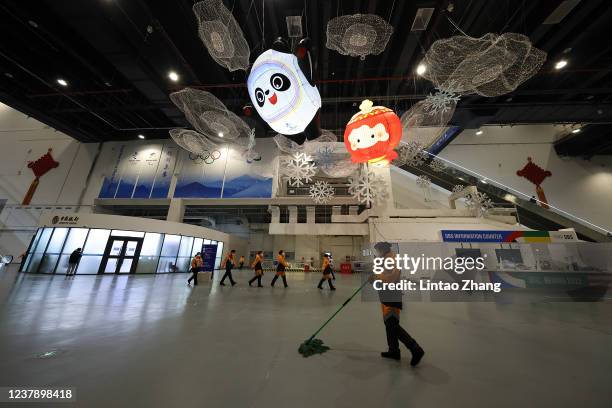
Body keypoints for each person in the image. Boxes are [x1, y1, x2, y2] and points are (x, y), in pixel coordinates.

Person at [369, 241, 424, 366]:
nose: (377, 252)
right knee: (389, 324)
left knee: (392, 324)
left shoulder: (391, 259)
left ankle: (415, 349)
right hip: (386, 295)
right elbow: (383, 274)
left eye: (378, 250)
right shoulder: (386, 258)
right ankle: (393, 350)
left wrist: (376, 278)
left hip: (391, 295)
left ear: (383, 249)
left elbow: (391, 277)